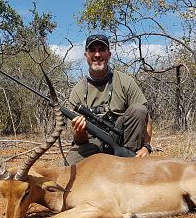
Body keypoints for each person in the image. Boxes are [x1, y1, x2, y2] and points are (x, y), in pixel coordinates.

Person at [66, 34, 153, 166]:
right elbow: (79, 140)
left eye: (101, 49)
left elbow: (147, 118)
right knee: (69, 168)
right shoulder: (77, 91)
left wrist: (146, 147)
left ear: (109, 54)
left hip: (123, 140)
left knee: (138, 109)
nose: (97, 55)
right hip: (92, 143)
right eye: (92, 50)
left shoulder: (125, 81)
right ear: (86, 56)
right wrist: (80, 130)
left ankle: (131, 163)